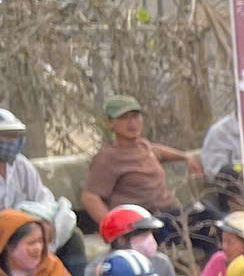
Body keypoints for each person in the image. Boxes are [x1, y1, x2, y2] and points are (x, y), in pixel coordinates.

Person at [79, 96, 196, 234]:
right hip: (142, 222)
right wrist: (114, 228)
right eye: (124, 118)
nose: (132, 123)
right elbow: (90, 197)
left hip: (170, 213)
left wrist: (185, 157)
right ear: (110, 123)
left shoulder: (143, 146)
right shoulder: (108, 158)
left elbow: (159, 151)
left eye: (135, 116)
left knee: (208, 216)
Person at [0, 106, 48, 210]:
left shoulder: (21, 165)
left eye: (16, 135)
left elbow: (42, 199)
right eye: (7, 136)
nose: (14, 142)